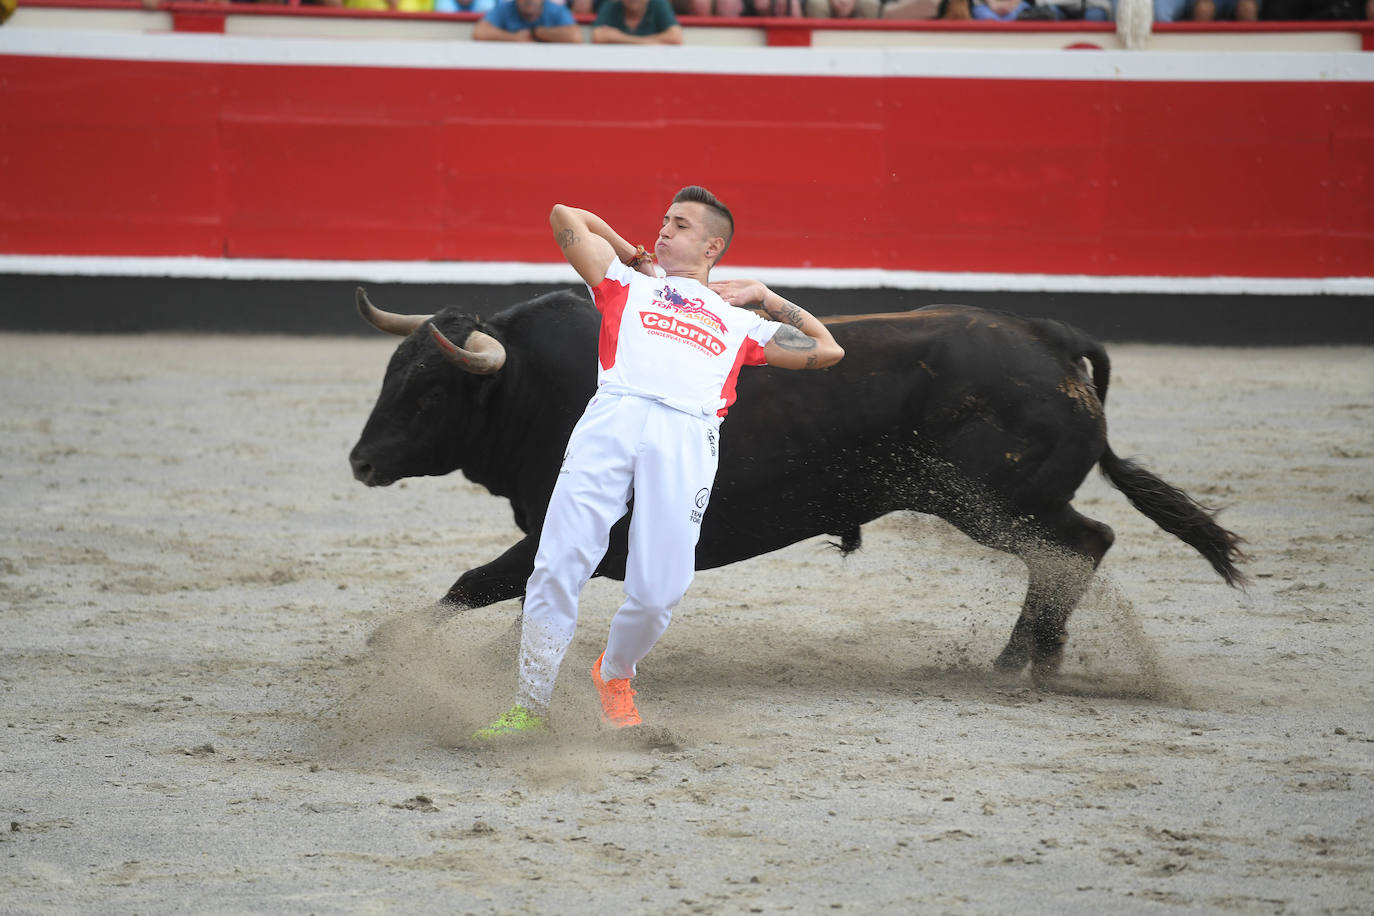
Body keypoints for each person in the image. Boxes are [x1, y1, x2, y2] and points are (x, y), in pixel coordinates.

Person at [477, 187, 845, 738]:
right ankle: (529, 704)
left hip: (688, 435)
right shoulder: (625, 284)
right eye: (664, 221)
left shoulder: (739, 321)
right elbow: (564, 216)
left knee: (657, 593)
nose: (665, 230)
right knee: (557, 564)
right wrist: (630, 252)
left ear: (712, 245)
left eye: (680, 225)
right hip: (612, 421)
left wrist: (764, 294)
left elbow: (828, 348)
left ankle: (614, 672)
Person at [474, 0, 583, 40]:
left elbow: (575, 36)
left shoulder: (555, 10)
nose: (529, 0)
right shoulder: (505, 9)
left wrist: (536, 33)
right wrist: (514, 38)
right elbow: (479, 32)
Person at [591, 0, 683, 42]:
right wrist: (653, 41)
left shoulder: (659, 4)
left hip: (653, 64)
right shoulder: (611, 5)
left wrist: (619, 37)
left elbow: (676, 37)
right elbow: (598, 36)